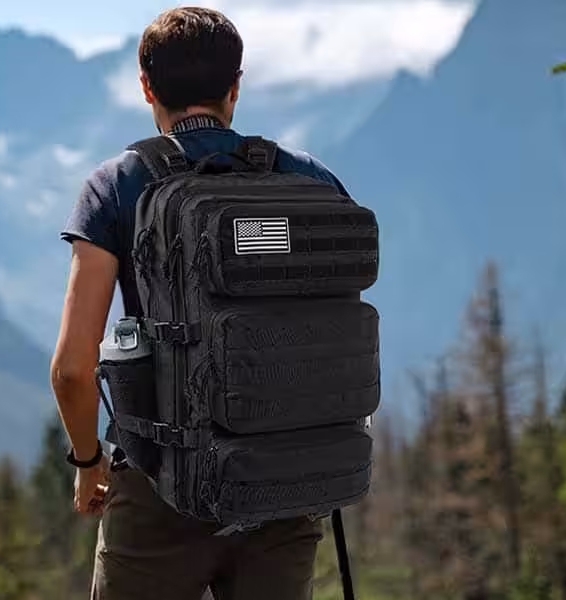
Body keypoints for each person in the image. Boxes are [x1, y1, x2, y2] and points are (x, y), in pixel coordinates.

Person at [50, 7, 354, 600]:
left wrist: (88, 463)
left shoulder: (117, 186)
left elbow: (70, 371)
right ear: (235, 87)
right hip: (283, 483)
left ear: (146, 87)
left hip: (158, 483)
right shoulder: (310, 180)